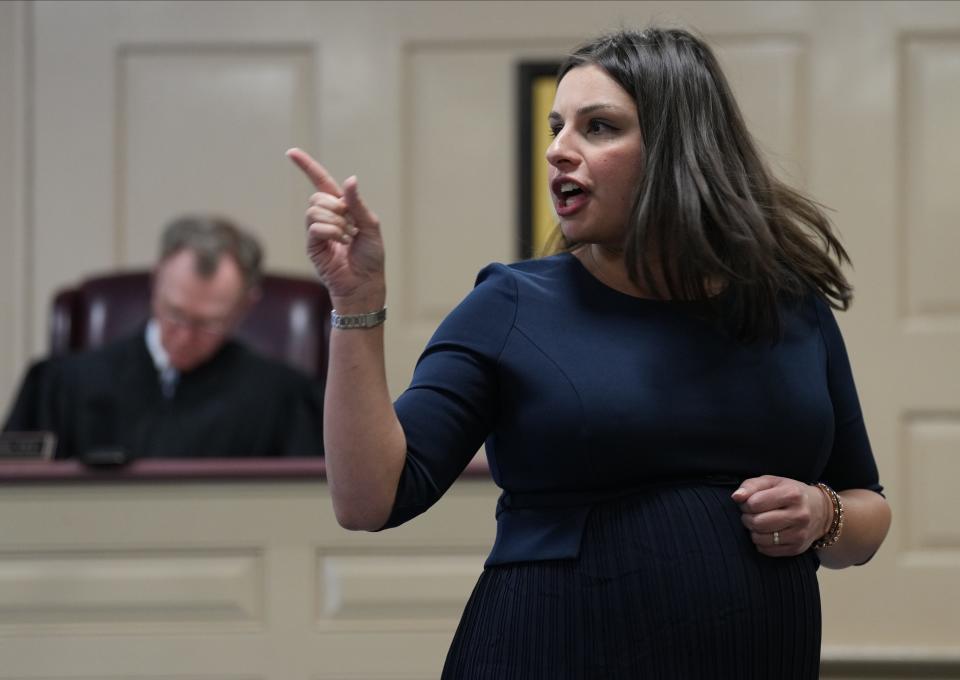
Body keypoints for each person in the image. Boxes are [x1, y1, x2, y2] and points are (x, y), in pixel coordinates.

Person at [287, 25, 891, 679]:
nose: (558, 151)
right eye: (557, 127)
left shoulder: (787, 305)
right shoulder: (512, 304)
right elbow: (368, 499)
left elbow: (867, 507)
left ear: (677, 149)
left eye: (597, 127)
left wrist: (821, 513)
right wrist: (356, 302)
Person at [2, 216, 325, 460]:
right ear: (156, 281)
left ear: (245, 306)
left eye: (208, 323)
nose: (184, 336)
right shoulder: (60, 385)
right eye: (174, 313)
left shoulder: (284, 398)